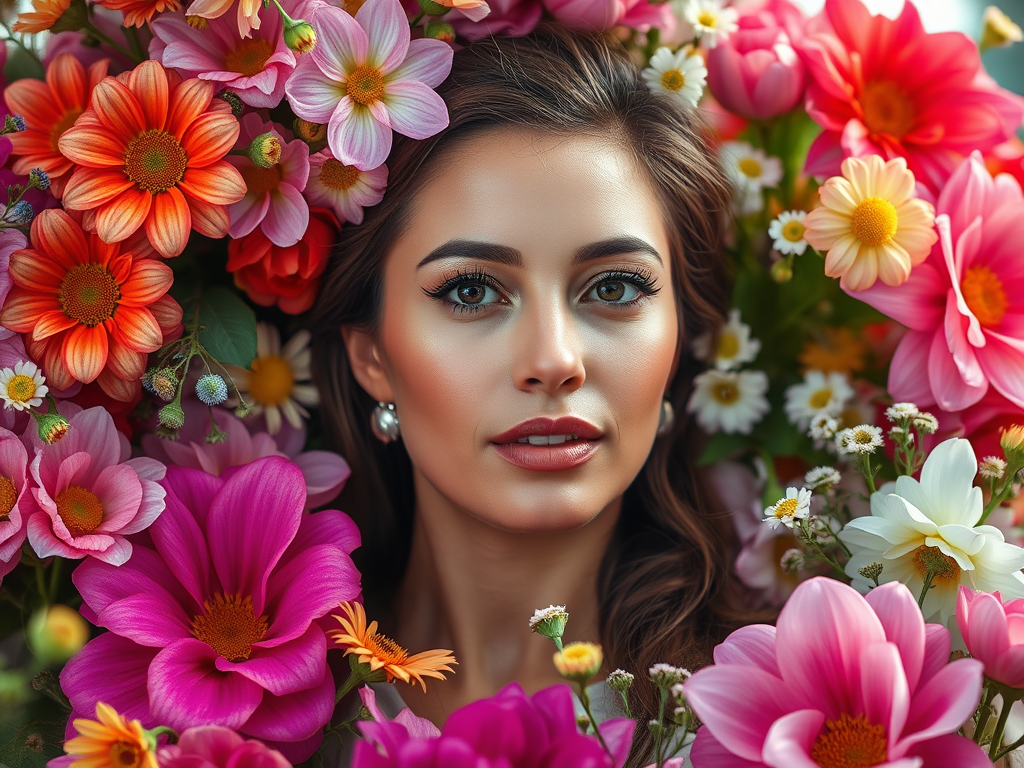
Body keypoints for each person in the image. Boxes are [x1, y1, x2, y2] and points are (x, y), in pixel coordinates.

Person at [310, 24, 754, 766]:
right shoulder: (248, 711)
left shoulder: (775, 715)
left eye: (614, 287)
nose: (553, 361)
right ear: (372, 357)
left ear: (680, 347)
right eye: (473, 290)